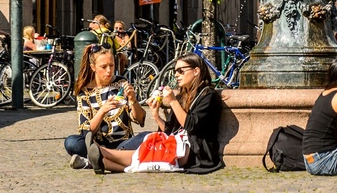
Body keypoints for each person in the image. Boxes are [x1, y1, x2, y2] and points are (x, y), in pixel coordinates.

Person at [86, 53, 224, 174]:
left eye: (181, 71)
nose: (176, 75)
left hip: (197, 151)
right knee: (153, 148)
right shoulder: (183, 96)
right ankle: (99, 161)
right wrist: (156, 115)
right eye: (175, 71)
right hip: (179, 144)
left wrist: (173, 102)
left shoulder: (207, 95)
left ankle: (101, 153)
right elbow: (170, 131)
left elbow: (191, 126)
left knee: (154, 151)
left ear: (196, 71)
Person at [64, 42, 148, 170]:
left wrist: (133, 100)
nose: (109, 71)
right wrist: (102, 111)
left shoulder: (121, 83)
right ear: (93, 67)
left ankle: (93, 162)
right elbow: (85, 131)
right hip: (97, 145)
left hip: (124, 144)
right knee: (71, 142)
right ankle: (109, 159)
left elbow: (140, 120)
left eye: (112, 65)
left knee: (148, 137)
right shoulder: (85, 92)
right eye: (103, 67)